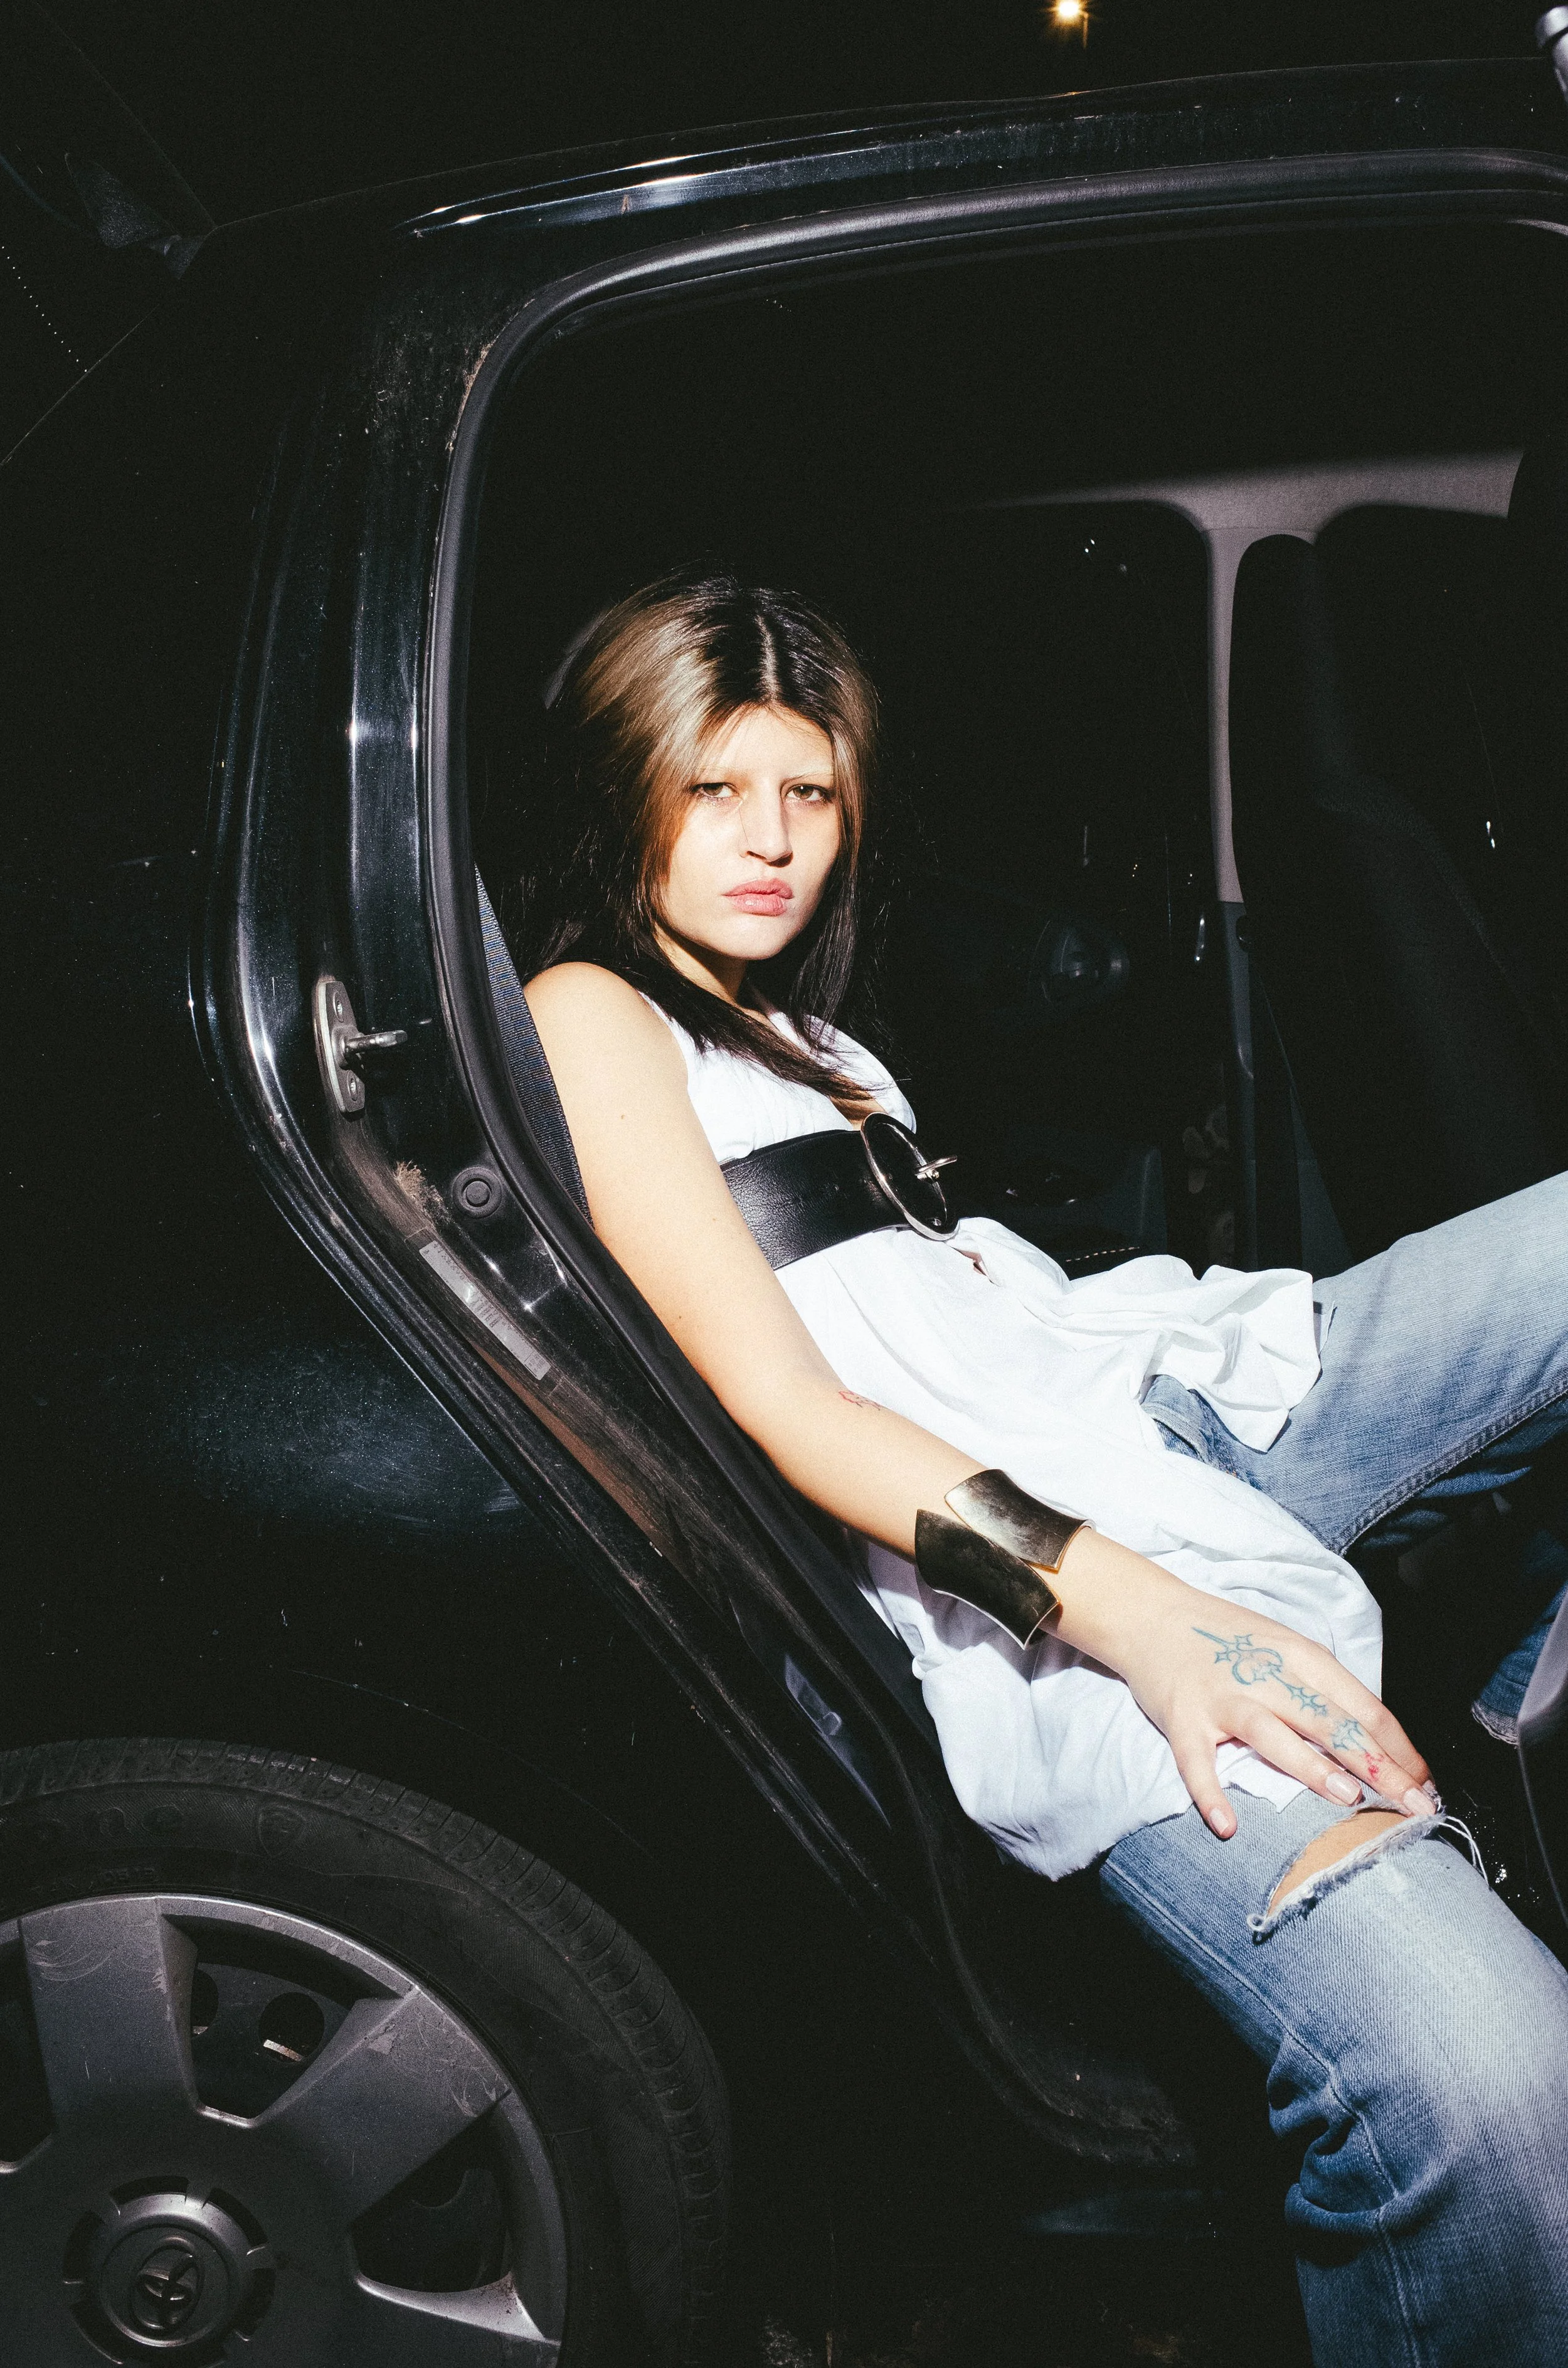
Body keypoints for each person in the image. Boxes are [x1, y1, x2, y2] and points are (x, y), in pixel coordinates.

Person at [521, 569, 1568, 2366]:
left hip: (1160, 1405)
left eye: (810, 793)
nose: (772, 844)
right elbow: (802, 1415)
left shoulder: (805, 1036)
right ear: (623, 791)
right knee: (1490, 2088)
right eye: (715, 791)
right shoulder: (588, 1012)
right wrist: (1150, 1625)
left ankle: (1512, 1696)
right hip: (1039, 1587)